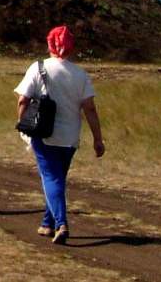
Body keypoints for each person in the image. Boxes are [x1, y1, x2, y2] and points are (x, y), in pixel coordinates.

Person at [14, 25, 105, 245]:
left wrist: (22, 124)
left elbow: (22, 100)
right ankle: (47, 222)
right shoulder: (80, 74)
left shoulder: (38, 68)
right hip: (70, 138)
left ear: (49, 44)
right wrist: (97, 138)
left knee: (51, 178)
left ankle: (61, 223)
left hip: (44, 135)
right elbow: (90, 108)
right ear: (71, 46)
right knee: (57, 179)